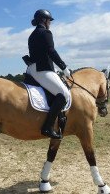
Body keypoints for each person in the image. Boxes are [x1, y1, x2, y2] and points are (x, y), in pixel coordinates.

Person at [26, 9, 71, 139]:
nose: (50, 23)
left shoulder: (32, 35)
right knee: (63, 94)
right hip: (42, 70)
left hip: (31, 70)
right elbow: (51, 51)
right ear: (44, 20)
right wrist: (64, 67)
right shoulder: (45, 32)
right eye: (49, 21)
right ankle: (47, 127)